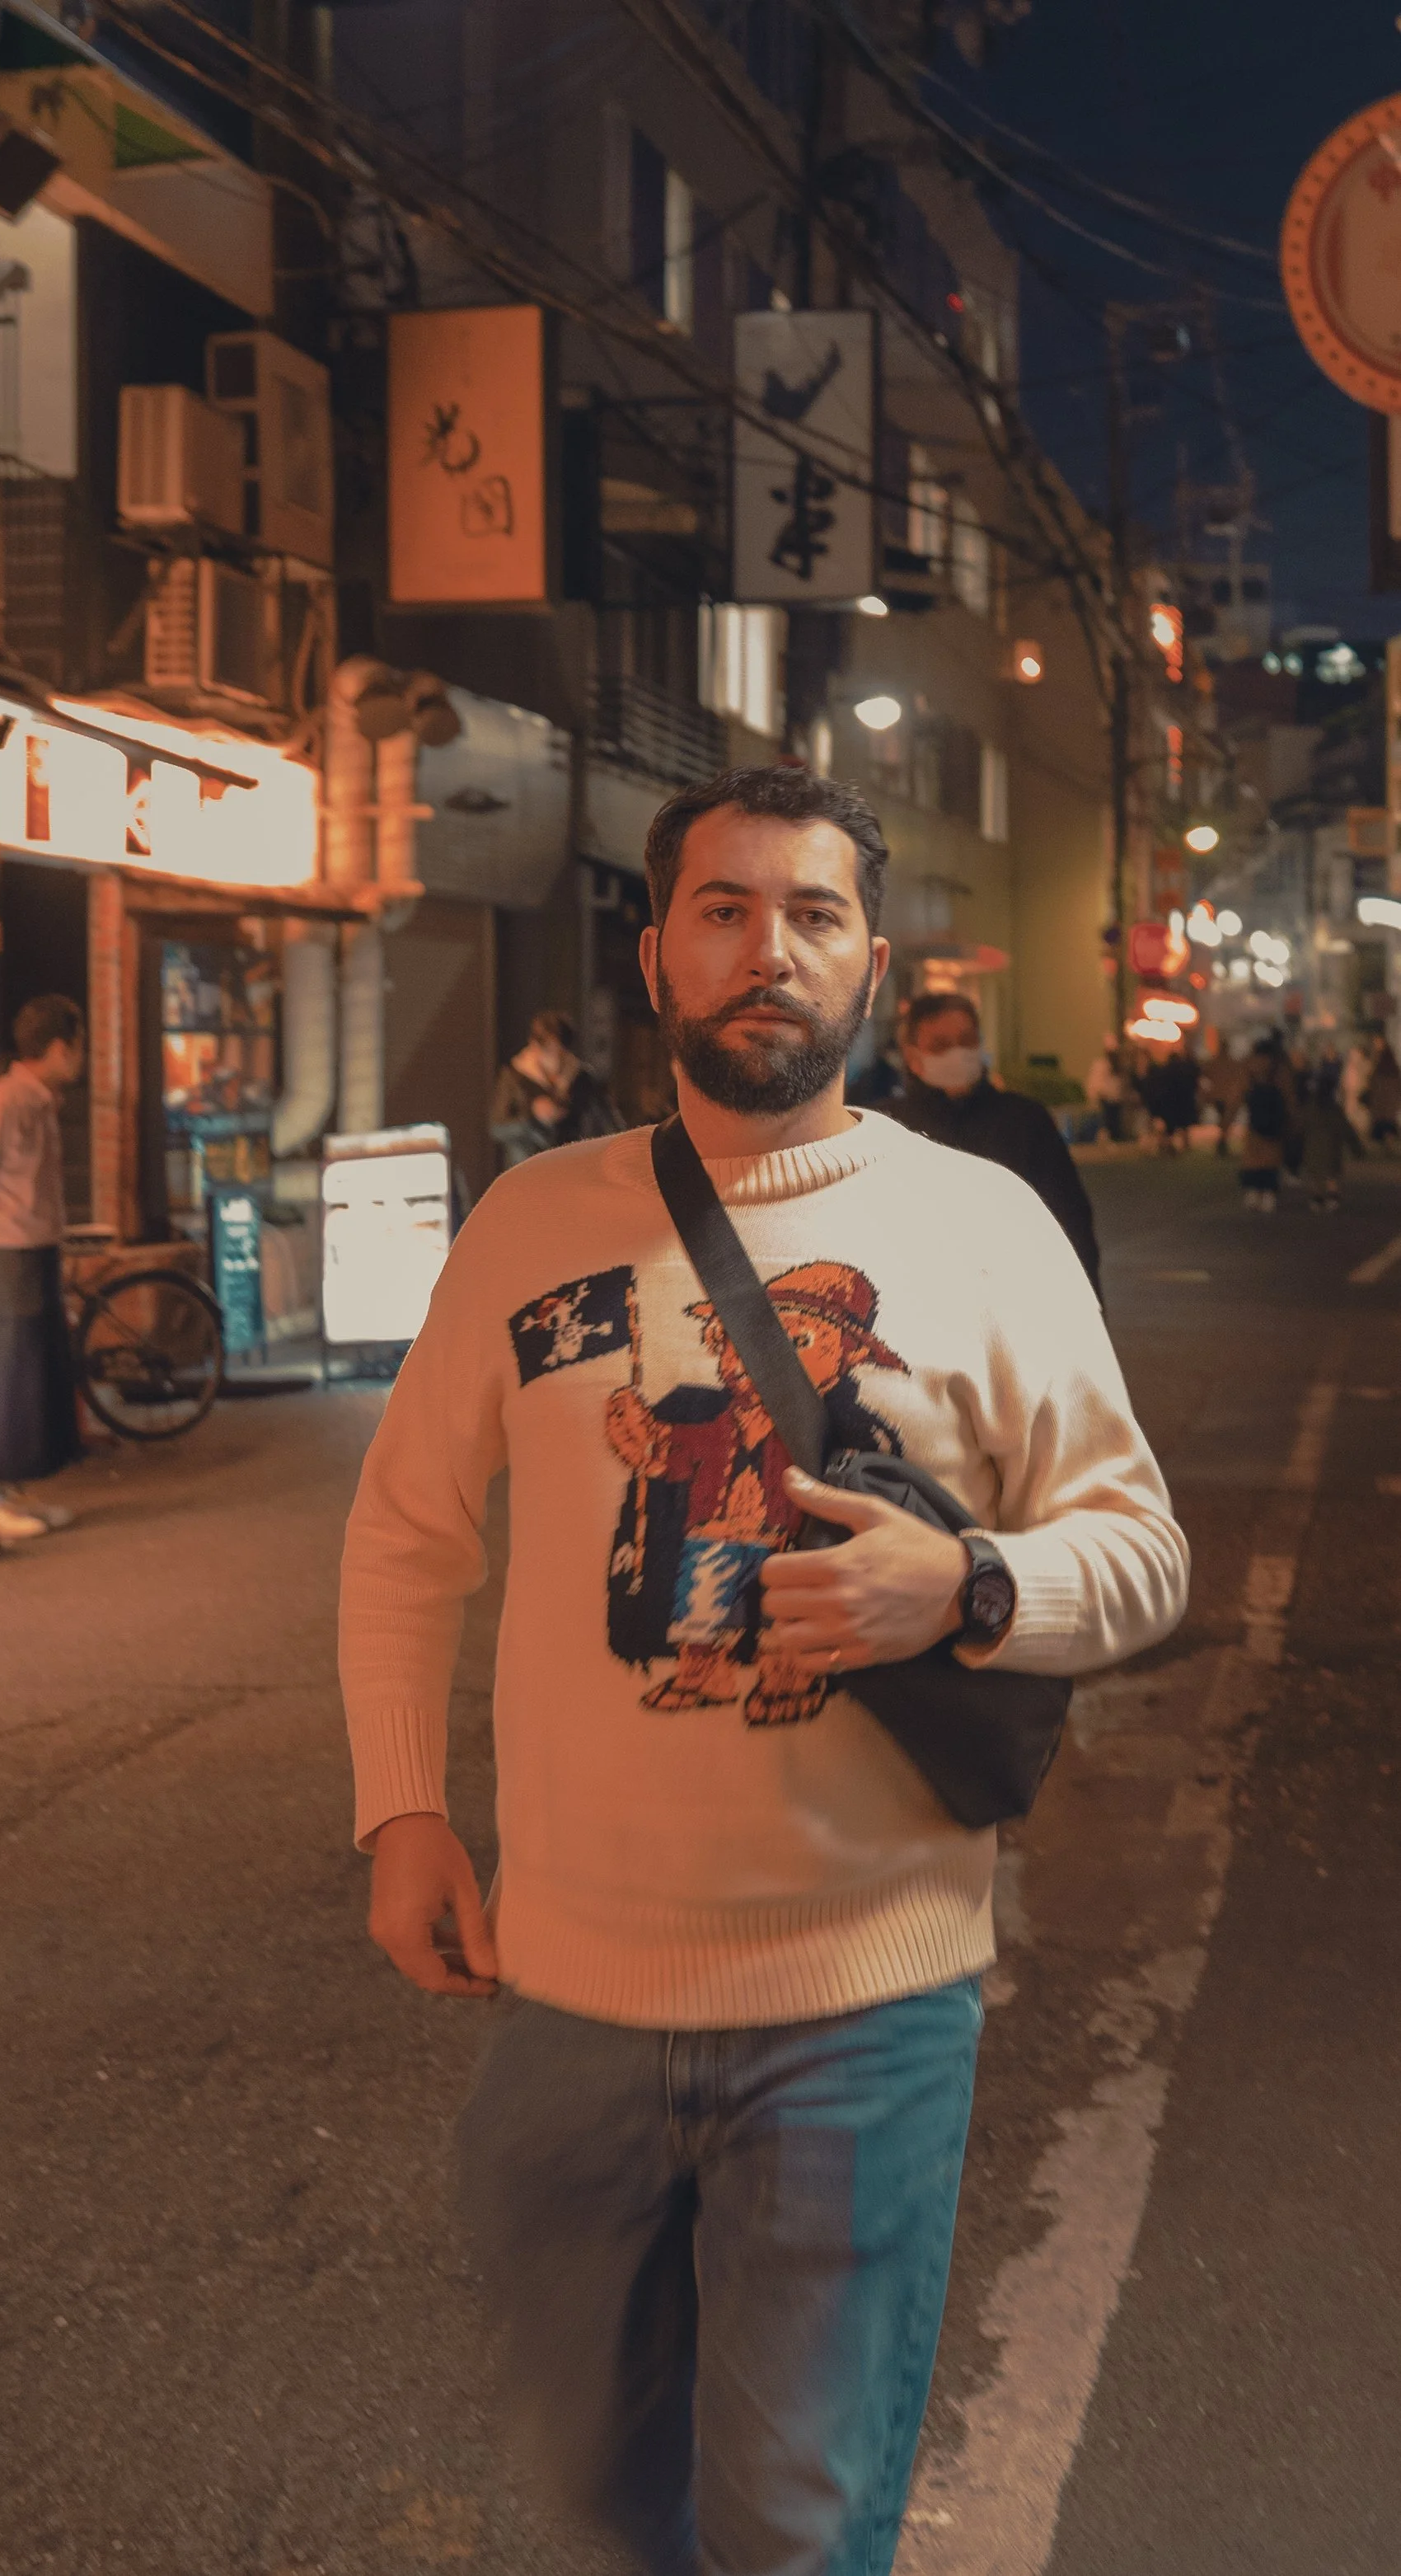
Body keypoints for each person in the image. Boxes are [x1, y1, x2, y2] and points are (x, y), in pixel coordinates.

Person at [340, 764, 1188, 2576]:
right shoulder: (528, 1221)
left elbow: (1137, 1551)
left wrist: (958, 1584)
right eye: (721, 909)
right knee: (603, 2489)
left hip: (861, 2001)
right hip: (565, 1989)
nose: (765, 950)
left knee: (793, 2521)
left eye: (809, 914)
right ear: (652, 955)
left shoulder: (981, 1224)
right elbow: (408, 1528)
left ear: (869, 962)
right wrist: (401, 1801)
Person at [0, 994, 86, 1539]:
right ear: (57, 1048)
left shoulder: (39, 1100)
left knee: (33, 1377)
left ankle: (15, 1491)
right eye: (77, 1048)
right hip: (3, 1253)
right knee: (5, 1376)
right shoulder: (1, 1103)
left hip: (34, 1251)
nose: (79, 1059)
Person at [878, 992, 1103, 1299]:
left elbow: (1069, 1222)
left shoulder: (1025, 1121)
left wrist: (1085, 1309)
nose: (957, 1052)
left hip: (1014, 1300)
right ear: (912, 1057)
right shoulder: (886, 1126)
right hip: (917, 1305)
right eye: (940, 1045)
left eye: (967, 1040)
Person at [490, 1010, 621, 1167]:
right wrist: (533, 1117)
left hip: (571, 1169)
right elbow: (497, 1127)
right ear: (535, 1046)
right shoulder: (515, 1076)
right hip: (527, 1170)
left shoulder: (581, 1078)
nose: (556, 1060)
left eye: (561, 1053)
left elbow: (610, 1124)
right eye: (550, 1052)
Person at [1299, 1063, 1361, 1213]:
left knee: (1315, 1175)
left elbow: (1299, 1126)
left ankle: (1316, 1199)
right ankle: (1332, 1198)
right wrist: (1356, 1147)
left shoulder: (1309, 1108)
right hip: (1332, 1148)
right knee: (1332, 1174)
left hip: (1312, 1148)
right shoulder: (1334, 1110)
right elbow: (1346, 1129)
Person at [1235, 1045, 1291, 1213]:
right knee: (1271, 1161)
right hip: (1275, 1127)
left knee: (1253, 1160)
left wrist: (1225, 1125)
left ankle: (1253, 1192)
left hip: (1255, 1125)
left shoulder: (1249, 1070)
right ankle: (1268, 1195)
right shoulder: (1280, 1071)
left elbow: (1237, 1096)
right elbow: (1290, 1099)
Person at [1083, 1041, 1129, 1144]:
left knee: (1115, 1124)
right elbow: (1097, 1083)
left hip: (1116, 1100)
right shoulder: (1101, 1065)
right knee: (1106, 1123)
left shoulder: (1119, 1066)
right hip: (1106, 1100)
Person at [1366, 1035, 1401, 1152]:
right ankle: (1386, 1146)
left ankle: (1388, 1145)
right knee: (1383, 1124)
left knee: (1386, 1123)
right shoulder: (1378, 1059)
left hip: (1386, 1098)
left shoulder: (1386, 1061)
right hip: (1382, 1099)